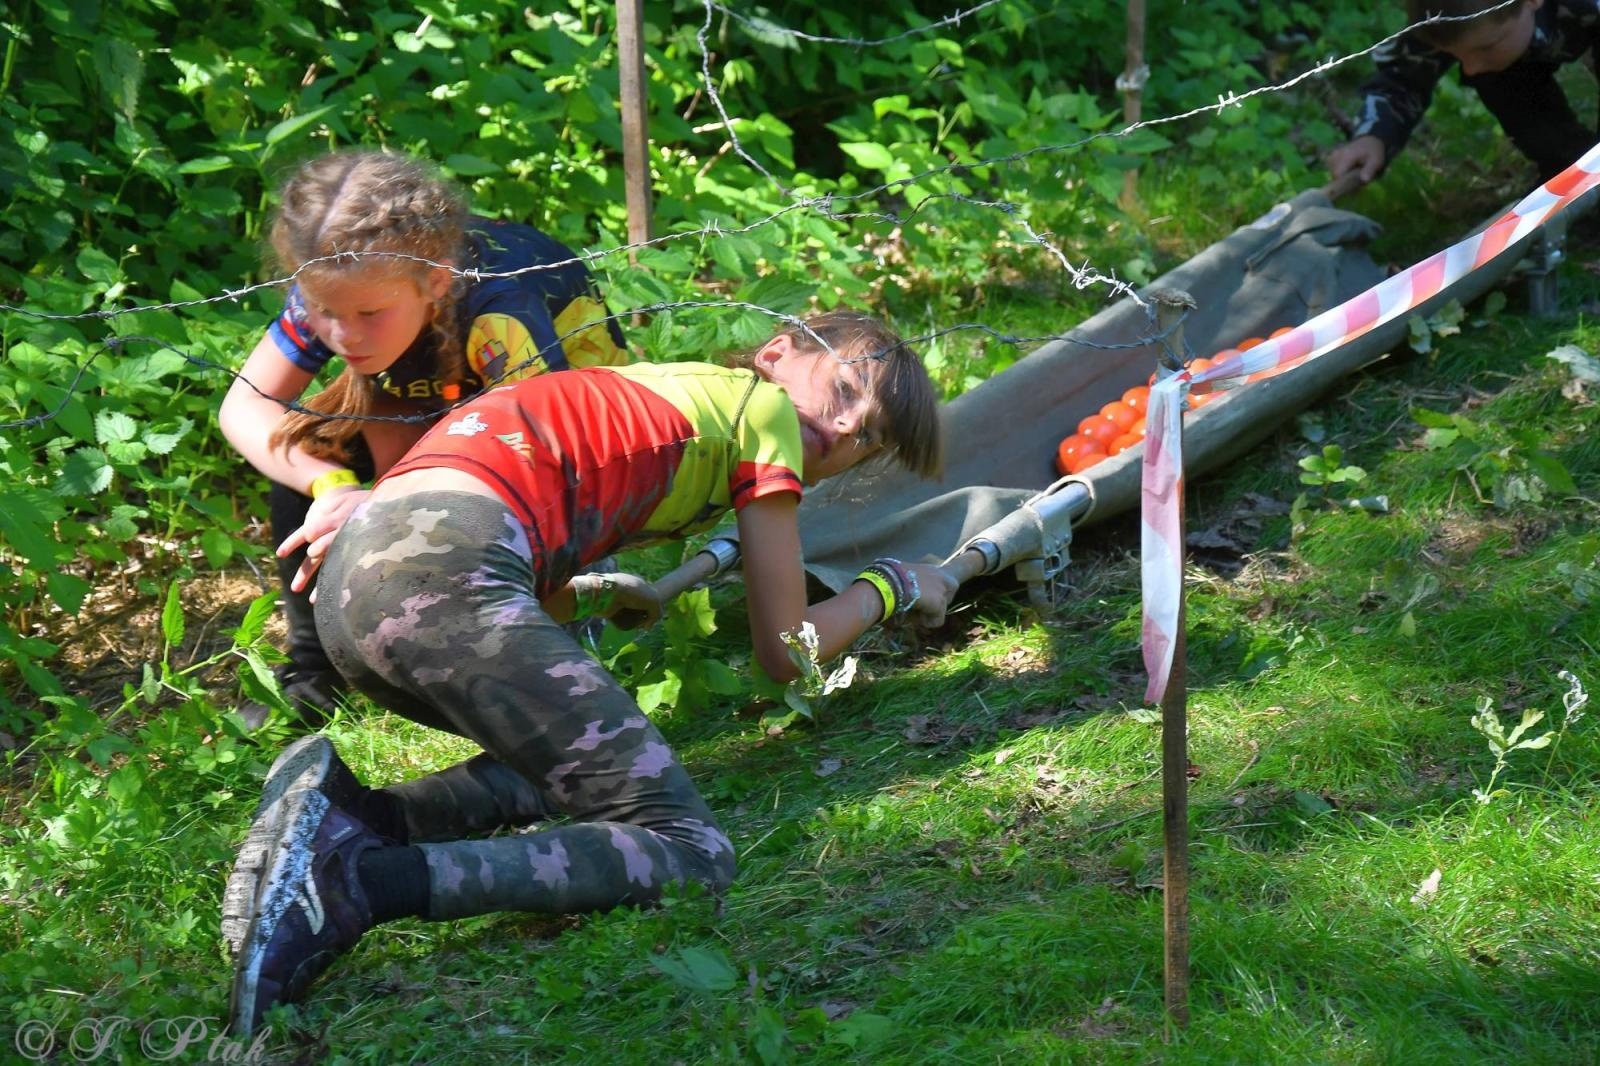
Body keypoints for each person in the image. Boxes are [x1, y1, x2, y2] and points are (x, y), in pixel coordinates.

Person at [223, 310, 956, 1037]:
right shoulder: (762, 412)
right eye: (844, 390)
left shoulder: (664, 391)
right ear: (776, 353)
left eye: (870, 437)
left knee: (571, 772)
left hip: (356, 589)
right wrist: (888, 587)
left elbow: (505, 501)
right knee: (690, 849)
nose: (846, 426)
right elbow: (787, 650)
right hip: (441, 578)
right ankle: (353, 883)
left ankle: (354, 815)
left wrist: (593, 594)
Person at [218, 150, 628, 730]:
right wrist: (333, 487)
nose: (342, 334)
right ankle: (312, 673)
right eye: (323, 310)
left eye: (369, 314)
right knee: (308, 455)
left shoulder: (501, 310)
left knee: (508, 552)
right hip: (439, 405)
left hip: (567, 445)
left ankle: (532, 636)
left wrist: (393, 498)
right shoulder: (341, 283)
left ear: (435, 281)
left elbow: (545, 456)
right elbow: (245, 407)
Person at [1327, 0, 1600, 188]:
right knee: (1496, 77)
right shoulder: (1450, 16)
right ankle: (1569, 169)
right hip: (1518, 56)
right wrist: (1373, 135)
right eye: (1455, 54)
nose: (1470, 68)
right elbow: (1402, 77)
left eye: (1485, 48)